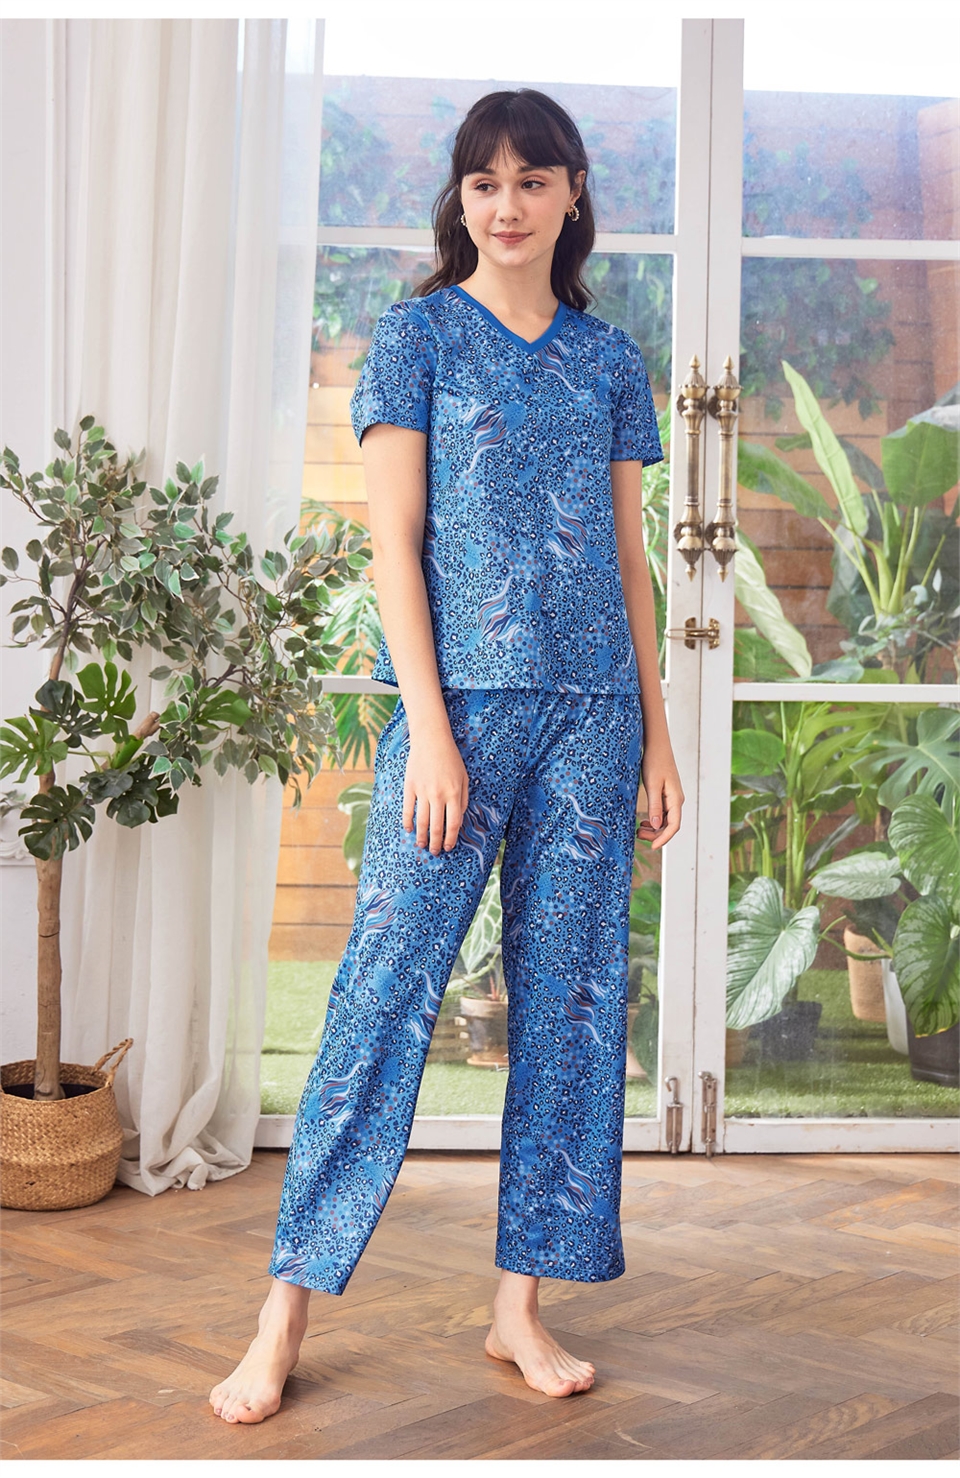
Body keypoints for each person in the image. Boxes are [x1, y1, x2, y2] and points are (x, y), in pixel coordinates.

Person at [210, 87, 683, 1426]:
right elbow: (394, 544)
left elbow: (630, 560)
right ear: (460, 199)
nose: (508, 205)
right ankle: (283, 1310)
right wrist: (426, 725)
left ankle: (520, 1304)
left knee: (574, 1009)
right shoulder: (416, 337)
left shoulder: (611, 360)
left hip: (594, 714)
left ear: (574, 195)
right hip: (457, 713)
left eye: (534, 180)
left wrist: (656, 733)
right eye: (485, 182)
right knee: (380, 998)